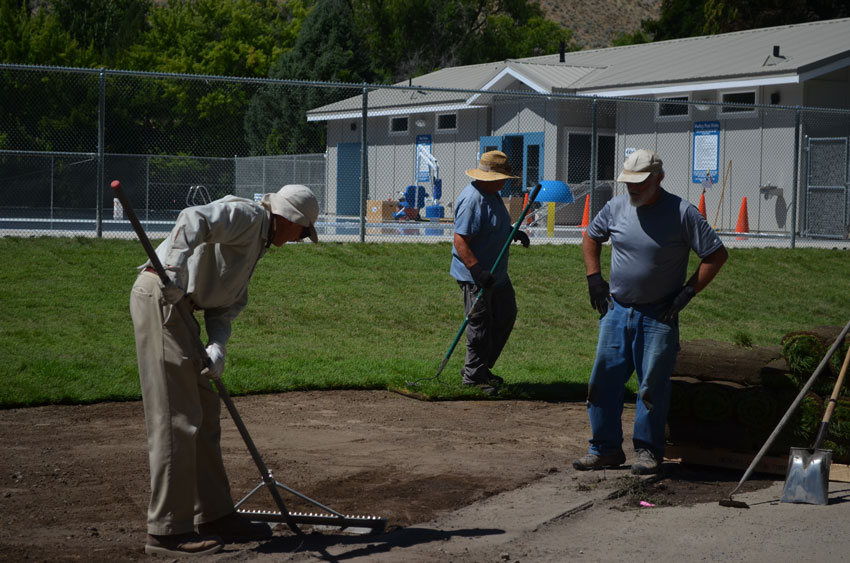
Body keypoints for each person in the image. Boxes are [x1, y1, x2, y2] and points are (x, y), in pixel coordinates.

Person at [130, 184, 319, 557]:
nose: (298, 240)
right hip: (162, 297)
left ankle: (214, 515)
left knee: (206, 413)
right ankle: (167, 531)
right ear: (290, 219)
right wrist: (174, 268)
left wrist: (218, 345)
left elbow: (225, 305)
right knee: (178, 418)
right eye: (302, 232)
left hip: (184, 310)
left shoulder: (258, 242)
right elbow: (193, 218)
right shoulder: (248, 217)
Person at [573, 149, 728, 475]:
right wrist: (594, 279)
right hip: (616, 310)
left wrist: (687, 292)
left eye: (639, 183)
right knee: (602, 383)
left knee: (651, 388)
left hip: (659, 315)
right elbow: (591, 237)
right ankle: (604, 449)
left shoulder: (682, 212)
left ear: (659, 178)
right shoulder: (616, 207)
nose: (632, 188)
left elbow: (715, 255)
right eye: (629, 182)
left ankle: (648, 451)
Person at [450, 150, 530, 396]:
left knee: (506, 315)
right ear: (489, 177)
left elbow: (494, 224)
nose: (504, 182)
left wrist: (512, 232)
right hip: (477, 277)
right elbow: (460, 240)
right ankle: (473, 378)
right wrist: (477, 270)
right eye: (502, 178)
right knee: (480, 325)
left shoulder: (492, 194)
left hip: (497, 275)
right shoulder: (472, 200)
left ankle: (481, 368)